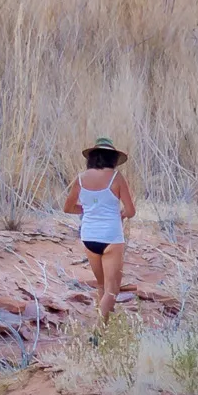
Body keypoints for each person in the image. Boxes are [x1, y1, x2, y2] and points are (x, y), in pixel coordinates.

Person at [61, 137, 136, 323]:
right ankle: (98, 332)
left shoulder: (80, 178)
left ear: (92, 158)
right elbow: (131, 210)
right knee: (112, 289)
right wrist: (122, 214)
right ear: (113, 158)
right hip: (111, 236)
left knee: (102, 286)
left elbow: (68, 208)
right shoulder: (116, 177)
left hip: (89, 236)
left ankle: (105, 327)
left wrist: (88, 209)